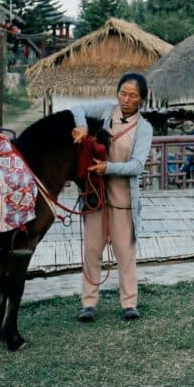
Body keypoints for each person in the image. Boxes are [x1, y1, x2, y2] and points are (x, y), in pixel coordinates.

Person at [71, 72, 154, 322]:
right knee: (92, 251)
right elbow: (76, 108)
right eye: (122, 93)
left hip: (123, 203)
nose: (126, 99)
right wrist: (83, 126)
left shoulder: (144, 128)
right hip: (95, 199)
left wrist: (109, 168)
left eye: (133, 95)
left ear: (141, 99)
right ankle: (89, 304)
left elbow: (138, 166)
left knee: (125, 254)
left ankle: (129, 303)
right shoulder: (106, 111)